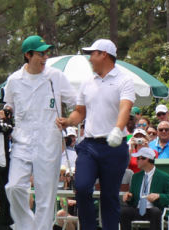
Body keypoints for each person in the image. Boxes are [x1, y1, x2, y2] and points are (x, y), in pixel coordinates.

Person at [57, 38, 135, 230]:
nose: (90, 58)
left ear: (104, 55)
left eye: (93, 54)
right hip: (89, 146)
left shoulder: (124, 80)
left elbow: (125, 108)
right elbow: (80, 112)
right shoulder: (87, 83)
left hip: (114, 147)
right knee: (82, 187)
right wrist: (68, 121)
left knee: (109, 196)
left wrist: (118, 129)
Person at [0, 35, 77, 230]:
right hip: (22, 141)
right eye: (40, 54)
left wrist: (68, 120)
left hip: (48, 142)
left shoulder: (55, 77)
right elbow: (9, 105)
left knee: (45, 196)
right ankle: (26, 226)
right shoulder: (14, 80)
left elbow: (76, 103)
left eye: (46, 53)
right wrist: (5, 113)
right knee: (14, 186)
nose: (44, 58)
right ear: (28, 55)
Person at [120, 147, 169, 230]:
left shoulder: (164, 177)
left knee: (155, 211)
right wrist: (129, 197)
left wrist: (159, 196)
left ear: (146, 159)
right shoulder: (136, 177)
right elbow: (132, 200)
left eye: (138, 158)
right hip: (138, 209)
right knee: (124, 211)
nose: (136, 161)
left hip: (153, 210)